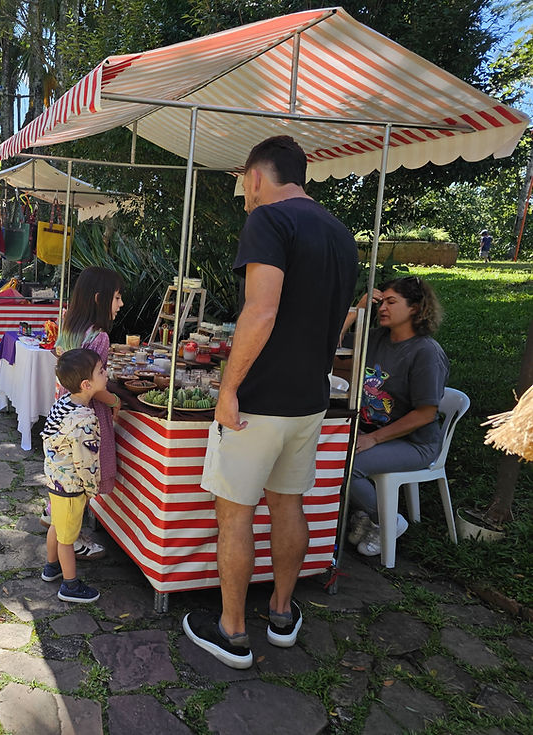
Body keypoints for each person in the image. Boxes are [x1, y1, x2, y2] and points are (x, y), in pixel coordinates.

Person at [182, 136, 358, 670]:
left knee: (235, 513)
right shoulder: (340, 232)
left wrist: (228, 389)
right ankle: (282, 612)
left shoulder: (268, 220)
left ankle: (233, 631)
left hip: (258, 401)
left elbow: (261, 312)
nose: (242, 193)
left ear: (257, 176)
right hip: (310, 399)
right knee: (289, 503)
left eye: (243, 182)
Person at [340, 277, 450, 557]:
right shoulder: (377, 337)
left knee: (348, 463)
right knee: (328, 450)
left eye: (391, 302)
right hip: (373, 430)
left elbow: (426, 414)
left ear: (415, 308)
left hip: (415, 443)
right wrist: (358, 311)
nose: (383, 308)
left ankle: (388, 519)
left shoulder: (425, 353)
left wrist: (374, 439)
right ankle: (367, 512)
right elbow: (331, 342)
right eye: (381, 302)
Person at [44, 266, 125, 560]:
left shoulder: (69, 323)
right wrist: (115, 400)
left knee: (63, 468)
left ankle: (56, 515)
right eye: (117, 297)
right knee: (81, 475)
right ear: (98, 298)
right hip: (85, 415)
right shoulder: (99, 336)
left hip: (64, 406)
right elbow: (95, 387)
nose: (120, 304)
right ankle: (71, 535)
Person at [40, 348, 106, 603]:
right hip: (71, 487)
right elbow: (86, 461)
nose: (106, 373)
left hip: (56, 479)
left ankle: (52, 566)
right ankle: (70, 585)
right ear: (87, 384)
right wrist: (91, 488)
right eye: (101, 370)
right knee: (68, 538)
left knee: (57, 526)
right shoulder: (84, 421)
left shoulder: (63, 405)